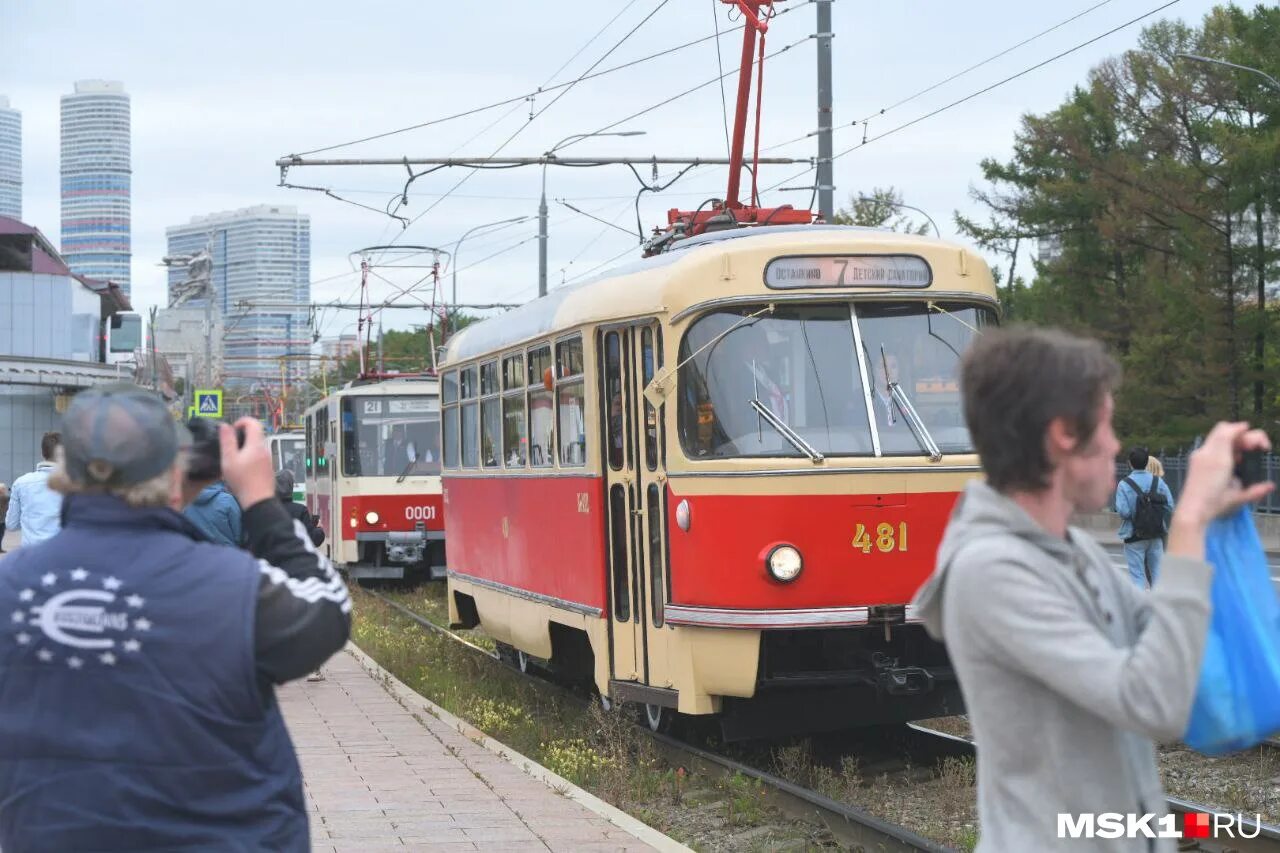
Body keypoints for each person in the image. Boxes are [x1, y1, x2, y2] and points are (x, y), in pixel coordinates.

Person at [913, 326, 1272, 853]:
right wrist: (1188, 521)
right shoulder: (989, 573)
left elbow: (1174, 652)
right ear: (1064, 434)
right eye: (1106, 424)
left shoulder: (1074, 552)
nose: (1116, 444)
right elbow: (1153, 700)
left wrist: (1219, 533)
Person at [0, 384, 350, 851]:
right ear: (175, 470)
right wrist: (263, 505)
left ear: (65, 473)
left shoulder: (10, 587)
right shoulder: (232, 587)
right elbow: (328, 611)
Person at [1116, 446, 1175, 589]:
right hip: (1156, 534)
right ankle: (1160, 607)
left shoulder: (1124, 484)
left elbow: (1123, 512)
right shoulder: (1158, 482)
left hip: (1134, 535)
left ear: (1130, 463)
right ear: (1147, 461)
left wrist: (1138, 512)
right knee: (1157, 575)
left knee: (1137, 576)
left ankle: (1141, 609)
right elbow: (1170, 506)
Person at [4, 431, 64, 547]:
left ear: (42, 453)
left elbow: (11, 524)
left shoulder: (21, 483)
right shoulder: (75, 485)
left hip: (31, 557)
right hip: (63, 558)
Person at [184, 478, 243, 547]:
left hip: (198, 554)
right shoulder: (227, 500)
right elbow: (240, 535)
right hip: (229, 554)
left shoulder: (184, 504)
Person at [276, 468, 323, 548]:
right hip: (295, 557)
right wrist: (319, 529)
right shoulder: (300, 511)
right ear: (291, 486)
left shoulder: (266, 511)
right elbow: (312, 539)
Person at [0, 481, 8, 553]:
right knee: (1, 534)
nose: (5, 490)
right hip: (1, 519)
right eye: (4, 489)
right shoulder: (4, 497)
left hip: (2, 519)